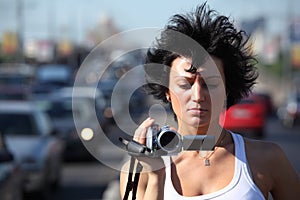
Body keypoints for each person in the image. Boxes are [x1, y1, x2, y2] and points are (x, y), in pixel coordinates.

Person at [120, 3, 300, 200]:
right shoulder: (138, 169)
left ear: (227, 89)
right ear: (167, 91)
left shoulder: (267, 158)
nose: (198, 96)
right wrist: (155, 176)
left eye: (210, 84)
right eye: (185, 84)